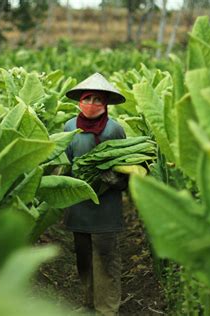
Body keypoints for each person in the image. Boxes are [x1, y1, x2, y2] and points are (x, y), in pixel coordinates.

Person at [63, 73, 128, 316]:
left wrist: (116, 181)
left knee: (106, 255)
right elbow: (65, 161)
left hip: (106, 204)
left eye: (97, 99)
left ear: (106, 104)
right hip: (78, 201)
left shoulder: (114, 130)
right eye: (87, 98)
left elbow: (126, 164)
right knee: (83, 256)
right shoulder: (70, 127)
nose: (91, 104)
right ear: (79, 101)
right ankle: (88, 302)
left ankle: (107, 308)